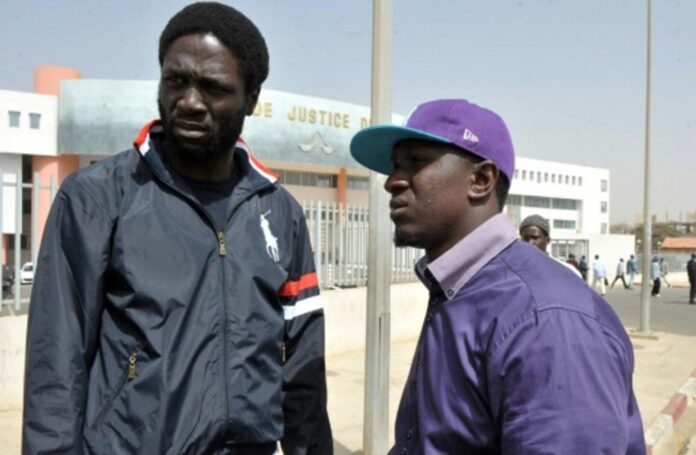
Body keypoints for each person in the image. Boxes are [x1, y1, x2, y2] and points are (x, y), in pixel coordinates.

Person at [22, 3, 332, 454]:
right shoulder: (95, 198)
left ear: (251, 98)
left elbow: (302, 367)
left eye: (212, 88)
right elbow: (55, 366)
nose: (189, 102)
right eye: (176, 81)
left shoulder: (279, 212)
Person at [350, 98, 644, 454]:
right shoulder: (457, 287)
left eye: (416, 163)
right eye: (395, 166)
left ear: (481, 179)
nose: (393, 182)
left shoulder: (545, 319)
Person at [518, 214, 581, 278]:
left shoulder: (568, 272)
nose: (530, 243)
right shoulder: (513, 270)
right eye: (525, 238)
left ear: (547, 240)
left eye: (535, 238)